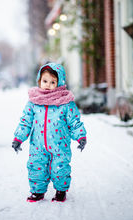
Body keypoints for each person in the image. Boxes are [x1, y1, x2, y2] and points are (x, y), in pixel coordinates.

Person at [12, 63, 87, 202]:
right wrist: (18, 138)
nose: (48, 85)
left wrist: (80, 136)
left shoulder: (65, 102)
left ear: (60, 83)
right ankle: (37, 192)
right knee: (36, 167)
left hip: (60, 144)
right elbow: (26, 121)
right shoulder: (34, 102)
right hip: (38, 145)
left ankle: (61, 190)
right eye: (45, 81)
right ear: (39, 81)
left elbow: (74, 122)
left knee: (60, 168)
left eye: (53, 82)